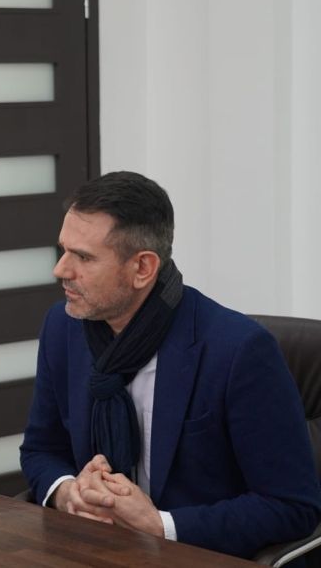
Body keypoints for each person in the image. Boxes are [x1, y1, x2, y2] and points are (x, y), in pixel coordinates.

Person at [20, 171, 320, 559]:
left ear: (143, 268)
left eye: (84, 257)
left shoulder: (239, 351)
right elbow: (41, 449)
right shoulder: (63, 327)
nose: (61, 270)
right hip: (94, 549)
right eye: (64, 250)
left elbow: (291, 506)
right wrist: (68, 493)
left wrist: (160, 525)